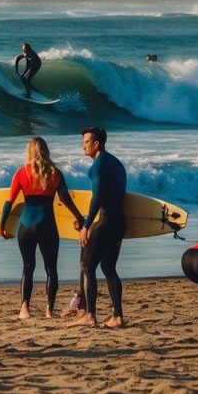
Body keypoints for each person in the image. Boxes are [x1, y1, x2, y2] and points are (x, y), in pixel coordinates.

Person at [0, 137, 84, 319]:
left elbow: (9, 201)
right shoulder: (55, 173)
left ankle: (24, 309)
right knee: (51, 269)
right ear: (46, 151)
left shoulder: (21, 173)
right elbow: (65, 199)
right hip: (47, 226)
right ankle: (48, 311)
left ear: (29, 152)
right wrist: (79, 218)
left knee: (27, 267)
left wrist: (2, 226)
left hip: (26, 227)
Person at [73, 126, 127, 328]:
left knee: (87, 266)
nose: (83, 146)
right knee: (108, 267)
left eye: (86, 142)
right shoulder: (117, 164)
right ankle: (118, 316)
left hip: (105, 222)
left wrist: (86, 226)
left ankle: (89, 315)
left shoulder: (98, 166)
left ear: (97, 144)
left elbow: (97, 198)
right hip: (119, 223)